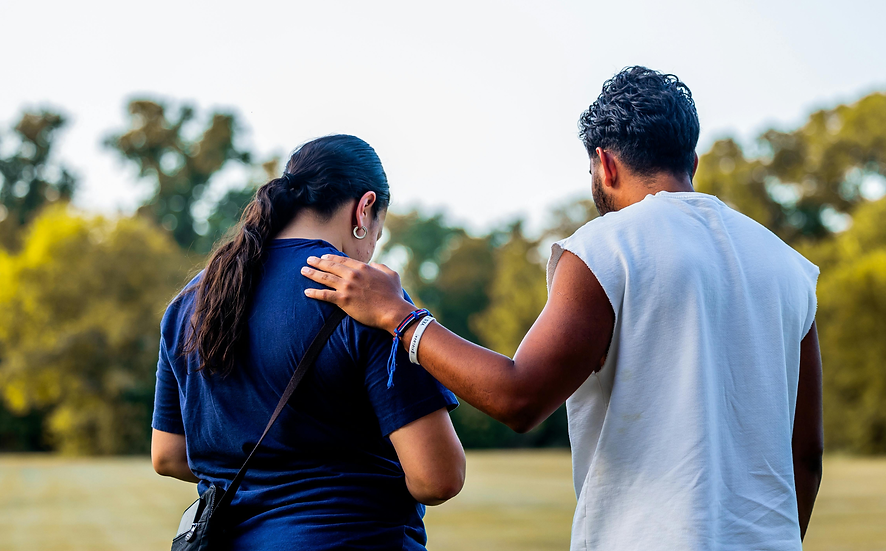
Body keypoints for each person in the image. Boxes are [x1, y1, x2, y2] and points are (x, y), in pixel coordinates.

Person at [300, 67, 823, 550]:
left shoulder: (607, 247)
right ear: (692, 160)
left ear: (605, 163)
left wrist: (399, 316)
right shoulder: (789, 267)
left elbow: (520, 398)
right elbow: (807, 455)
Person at [150, 134, 466, 550]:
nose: (371, 251)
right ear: (364, 208)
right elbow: (437, 478)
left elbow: (169, 454)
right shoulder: (366, 298)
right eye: (378, 233)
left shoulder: (192, 301)